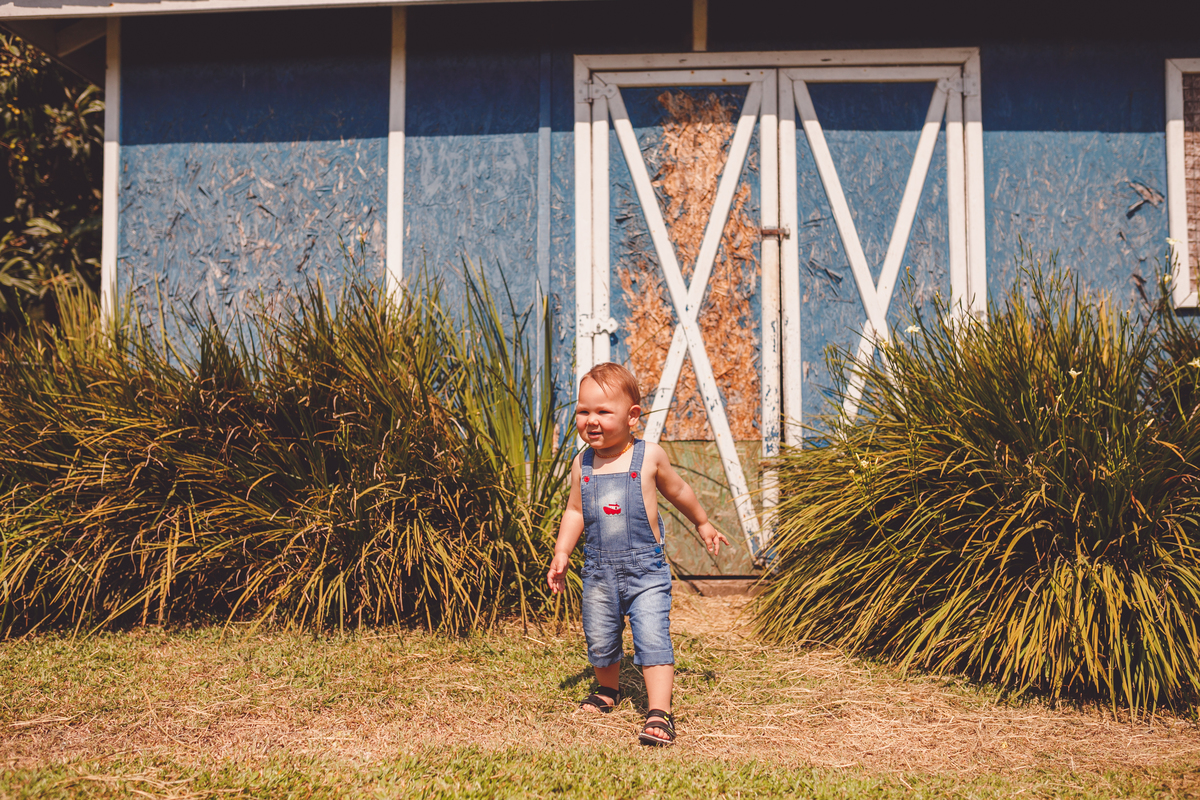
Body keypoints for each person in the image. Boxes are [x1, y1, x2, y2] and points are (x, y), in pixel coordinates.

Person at [546, 362, 730, 746]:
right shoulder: (582, 463)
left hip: (646, 571)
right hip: (598, 570)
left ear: (632, 417)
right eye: (583, 411)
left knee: (652, 636)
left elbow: (678, 491)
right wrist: (563, 550)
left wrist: (702, 522)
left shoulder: (649, 456)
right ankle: (608, 690)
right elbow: (575, 511)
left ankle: (659, 712)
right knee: (600, 637)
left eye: (603, 412)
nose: (591, 420)